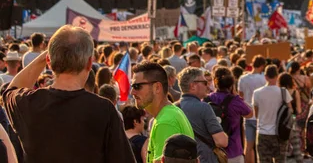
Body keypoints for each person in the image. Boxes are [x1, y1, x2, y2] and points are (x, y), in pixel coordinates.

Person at [2, 25, 136, 162]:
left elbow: (11, 89)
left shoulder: (28, 103)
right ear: (90, 63)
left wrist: (47, 55)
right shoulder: (104, 110)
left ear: (49, 61)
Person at [132, 61, 194, 163]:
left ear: (157, 87)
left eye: (137, 86)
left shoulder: (165, 122)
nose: (132, 92)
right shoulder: (170, 113)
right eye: (132, 86)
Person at [178, 67, 228, 163]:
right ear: (193, 86)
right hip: (205, 158)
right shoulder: (204, 107)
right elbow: (222, 141)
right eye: (205, 83)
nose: (208, 86)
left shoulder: (175, 108)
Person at [206, 67, 253, 163]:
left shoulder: (207, 99)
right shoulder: (235, 100)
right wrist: (235, 94)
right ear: (231, 84)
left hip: (213, 150)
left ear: (215, 82)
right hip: (233, 150)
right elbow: (250, 114)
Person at [252, 64, 292, 163]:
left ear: (265, 77)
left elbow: (256, 114)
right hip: (280, 133)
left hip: (263, 132)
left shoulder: (257, 93)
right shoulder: (283, 92)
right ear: (277, 76)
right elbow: (290, 110)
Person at [238, 55, 267, 163]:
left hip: (247, 114)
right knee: (260, 146)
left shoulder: (243, 78)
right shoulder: (264, 79)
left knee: (248, 145)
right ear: (262, 66)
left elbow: (240, 97)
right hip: (261, 116)